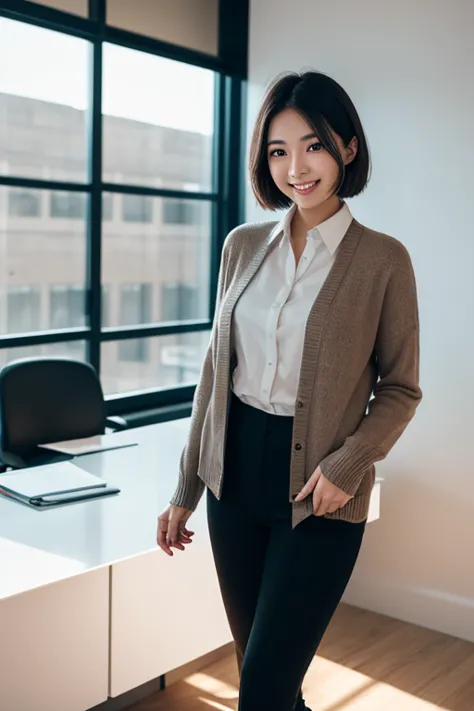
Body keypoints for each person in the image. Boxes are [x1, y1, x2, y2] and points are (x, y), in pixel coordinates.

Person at [156, 70, 422, 711]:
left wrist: (348, 464)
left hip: (319, 494)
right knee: (268, 681)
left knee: (263, 690)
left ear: (347, 149)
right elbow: (216, 376)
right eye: (279, 150)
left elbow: (401, 389)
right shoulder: (241, 247)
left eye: (313, 146)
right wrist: (184, 490)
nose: (296, 167)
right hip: (234, 478)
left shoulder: (384, 260)